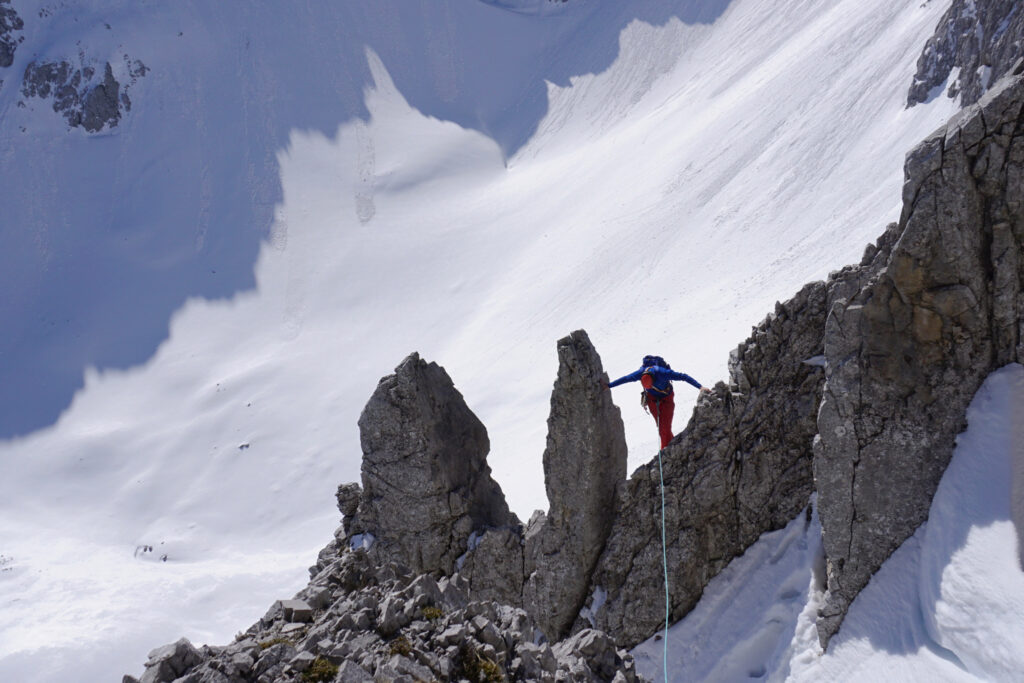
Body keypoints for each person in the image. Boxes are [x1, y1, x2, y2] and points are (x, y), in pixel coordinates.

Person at [604, 355, 710, 449]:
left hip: (667, 398)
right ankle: (669, 448)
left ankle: (665, 450)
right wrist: (609, 386)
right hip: (652, 399)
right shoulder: (640, 373)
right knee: (661, 427)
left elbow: (683, 377)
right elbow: (626, 379)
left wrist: (700, 387)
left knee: (665, 426)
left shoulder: (662, 372)